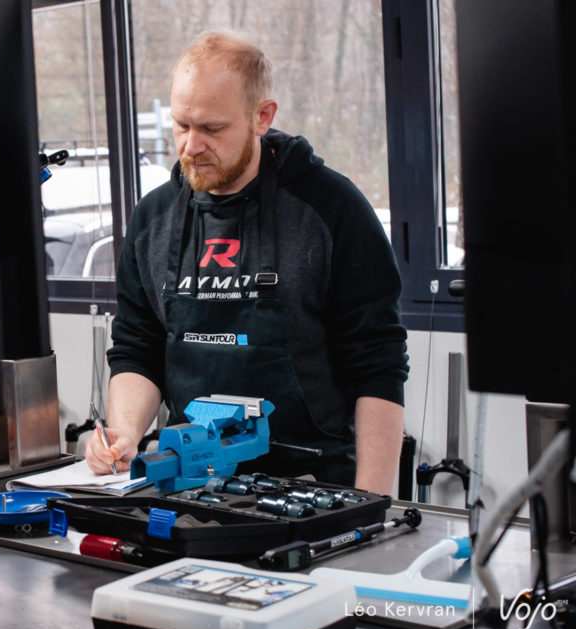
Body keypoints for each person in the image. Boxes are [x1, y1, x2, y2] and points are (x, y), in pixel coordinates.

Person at [85, 31, 408, 494]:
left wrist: (370, 504)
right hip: (188, 484)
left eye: (212, 129)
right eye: (181, 125)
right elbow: (139, 348)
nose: (191, 146)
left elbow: (378, 364)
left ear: (262, 116)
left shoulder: (332, 210)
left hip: (313, 487)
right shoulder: (153, 219)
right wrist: (125, 435)